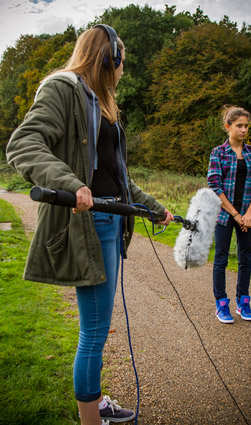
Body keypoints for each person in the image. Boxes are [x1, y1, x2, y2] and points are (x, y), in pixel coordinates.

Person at [6, 25, 174, 425]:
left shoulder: (101, 102)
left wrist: (154, 208)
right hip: (92, 223)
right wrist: (70, 183)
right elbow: (23, 143)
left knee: (96, 326)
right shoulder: (62, 88)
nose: (122, 70)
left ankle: (94, 402)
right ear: (107, 57)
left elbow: (118, 178)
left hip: (112, 220)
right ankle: (90, 418)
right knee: (96, 330)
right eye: (121, 62)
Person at [207, 106, 251, 324]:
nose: (244, 129)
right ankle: (221, 304)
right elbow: (214, 186)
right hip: (225, 216)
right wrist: (235, 214)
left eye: (246, 125)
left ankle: (243, 301)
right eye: (239, 125)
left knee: (246, 259)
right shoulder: (218, 153)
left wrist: (249, 212)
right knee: (221, 259)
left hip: (247, 216)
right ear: (228, 127)